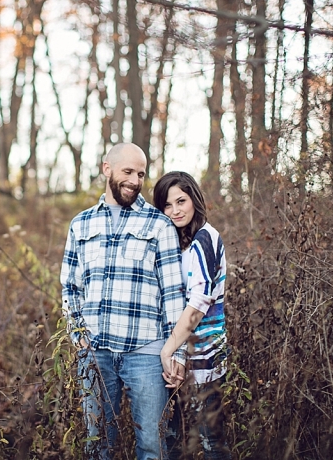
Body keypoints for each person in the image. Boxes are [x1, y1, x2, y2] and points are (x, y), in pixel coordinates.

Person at [60, 143, 186, 460]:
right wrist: (79, 339)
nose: (134, 180)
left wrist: (177, 352)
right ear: (107, 169)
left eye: (140, 174)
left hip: (147, 353)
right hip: (96, 354)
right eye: (127, 171)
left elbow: (173, 293)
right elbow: (69, 287)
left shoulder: (159, 224)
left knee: (152, 447)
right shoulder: (81, 224)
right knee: (98, 446)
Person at [152, 171, 231, 460]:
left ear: (194, 199)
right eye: (167, 205)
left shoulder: (203, 240)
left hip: (204, 358)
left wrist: (168, 351)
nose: (175, 211)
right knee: (174, 439)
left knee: (212, 443)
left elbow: (197, 307)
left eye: (181, 201)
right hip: (185, 358)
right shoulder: (185, 242)